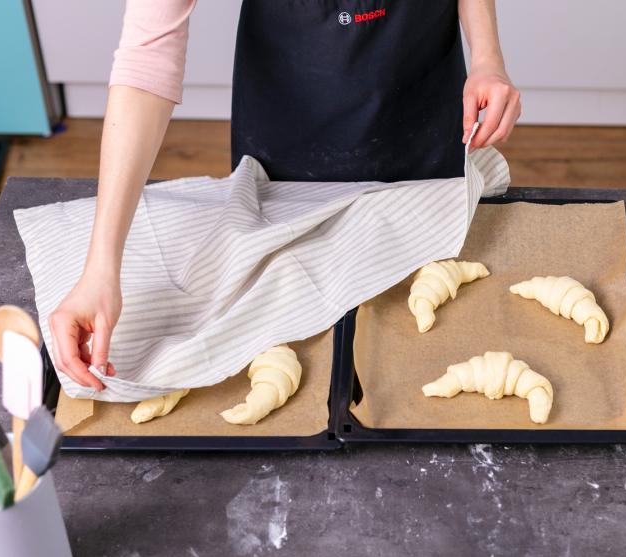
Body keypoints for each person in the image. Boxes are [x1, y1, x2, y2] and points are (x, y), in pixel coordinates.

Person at [49, 0, 522, 391]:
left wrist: (487, 57)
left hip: (418, 100)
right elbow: (147, 59)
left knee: (416, 341)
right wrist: (101, 267)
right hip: (290, 114)